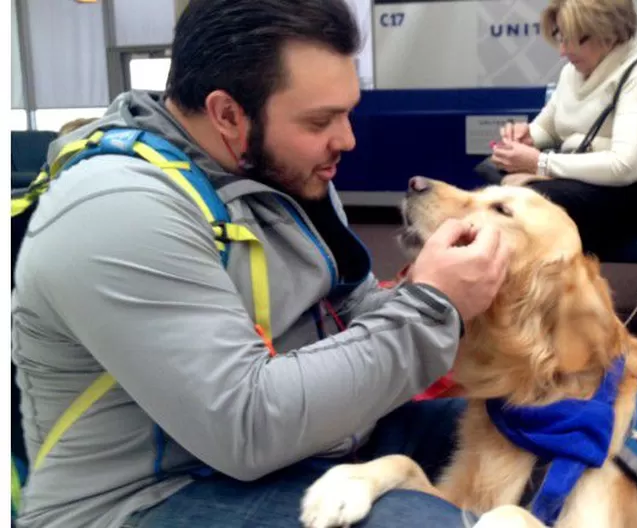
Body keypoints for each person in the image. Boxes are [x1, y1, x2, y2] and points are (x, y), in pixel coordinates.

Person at [10, 0, 511, 526]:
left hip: (305, 441)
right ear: (228, 114)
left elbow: (354, 310)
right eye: (321, 120)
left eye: (347, 111)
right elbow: (246, 427)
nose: (347, 139)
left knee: (529, 435)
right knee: (422, 522)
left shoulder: (284, 174)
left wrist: (457, 293)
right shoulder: (116, 208)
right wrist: (434, 305)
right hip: (149, 494)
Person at [487, 0, 637, 255]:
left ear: (608, 32)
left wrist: (539, 164)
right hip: (580, 181)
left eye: (575, 39)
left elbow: (626, 166)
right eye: (561, 38)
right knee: (491, 168)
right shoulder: (571, 72)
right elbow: (549, 129)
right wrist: (525, 139)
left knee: (531, 199)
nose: (563, 51)